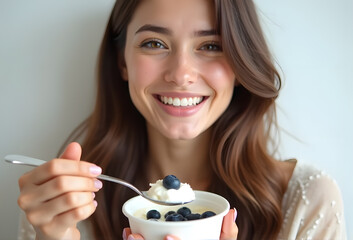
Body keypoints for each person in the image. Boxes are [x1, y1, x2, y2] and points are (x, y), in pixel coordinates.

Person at [16, 0, 346, 239]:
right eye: (154, 43)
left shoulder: (308, 202)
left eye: (212, 45)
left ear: (241, 65)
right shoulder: (61, 204)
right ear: (122, 62)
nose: (181, 74)